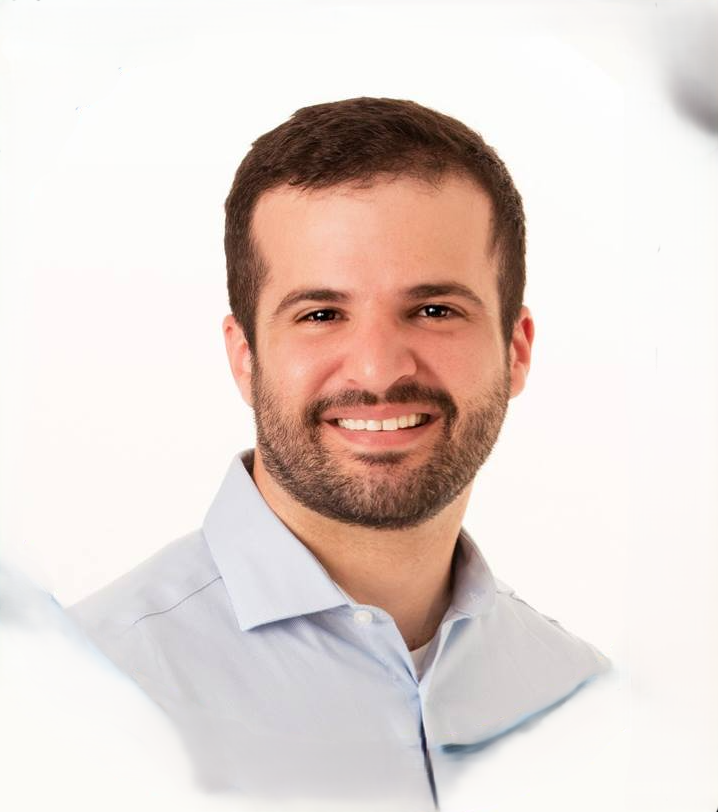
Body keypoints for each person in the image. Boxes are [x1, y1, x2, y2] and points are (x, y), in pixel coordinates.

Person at [67, 97, 610, 810]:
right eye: (321, 314)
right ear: (244, 357)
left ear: (516, 350)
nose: (379, 370)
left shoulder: (586, 703)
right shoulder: (79, 702)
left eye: (435, 310)